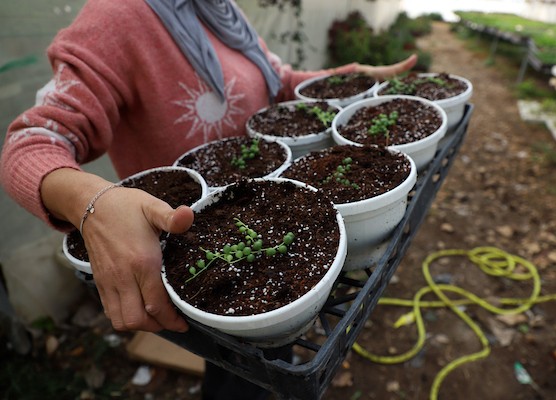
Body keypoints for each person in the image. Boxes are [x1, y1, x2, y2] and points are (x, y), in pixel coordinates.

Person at [0, 0, 417, 398]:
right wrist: (93, 204)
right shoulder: (117, 17)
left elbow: (275, 78)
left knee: (276, 347)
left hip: (264, 206)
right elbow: (30, 143)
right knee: (239, 371)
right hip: (195, 237)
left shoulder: (220, 12)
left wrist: (347, 77)